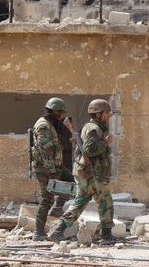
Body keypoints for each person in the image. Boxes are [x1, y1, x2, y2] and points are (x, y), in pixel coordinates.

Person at [49, 99, 116, 244]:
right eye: (106, 113)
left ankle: (57, 231)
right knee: (105, 202)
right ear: (98, 114)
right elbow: (89, 150)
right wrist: (106, 142)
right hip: (93, 174)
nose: (108, 116)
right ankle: (106, 236)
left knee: (78, 204)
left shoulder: (88, 126)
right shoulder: (94, 129)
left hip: (84, 174)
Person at [31, 97, 74, 241]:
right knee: (46, 198)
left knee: (71, 180)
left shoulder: (51, 124)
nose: (63, 117)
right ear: (56, 112)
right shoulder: (43, 125)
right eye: (61, 114)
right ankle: (38, 232)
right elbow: (45, 150)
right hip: (44, 168)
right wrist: (51, 172)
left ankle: (57, 208)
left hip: (54, 166)